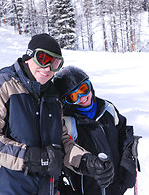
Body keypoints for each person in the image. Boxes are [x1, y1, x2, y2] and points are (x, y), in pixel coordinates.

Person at [0, 34, 114, 195]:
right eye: (43, 59)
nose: (48, 68)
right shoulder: (2, 86)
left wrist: (85, 161)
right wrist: (31, 157)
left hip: (46, 189)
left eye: (55, 63)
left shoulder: (53, 97)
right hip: (8, 188)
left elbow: (62, 142)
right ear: (29, 55)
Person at [53, 66, 137, 195]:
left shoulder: (107, 109)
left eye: (83, 89)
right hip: (88, 188)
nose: (82, 97)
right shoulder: (67, 122)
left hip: (115, 186)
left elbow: (124, 132)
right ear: (66, 101)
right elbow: (63, 155)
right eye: (73, 97)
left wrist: (127, 160)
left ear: (90, 85)